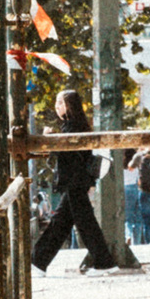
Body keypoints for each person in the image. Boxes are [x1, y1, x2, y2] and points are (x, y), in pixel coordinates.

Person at [31, 85, 118, 274]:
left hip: (74, 183)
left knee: (84, 225)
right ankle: (38, 262)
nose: (57, 106)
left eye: (60, 102)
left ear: (70, 105)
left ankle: (105, 263)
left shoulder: (74, 126)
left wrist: (49, 138)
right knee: (61, 224)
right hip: (75, 183)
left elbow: (67, 153)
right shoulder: (72, 125)